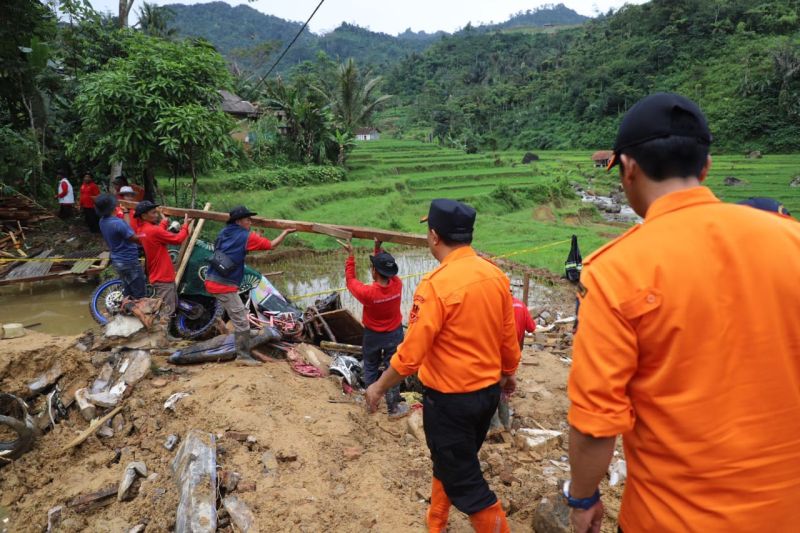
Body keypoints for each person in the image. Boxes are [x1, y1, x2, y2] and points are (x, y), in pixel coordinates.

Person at [566, 93, 800, 533]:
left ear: (628, 169)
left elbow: (596, 425)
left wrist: (582, 498)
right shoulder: (792, 242)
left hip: (672, 519)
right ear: (706, 167)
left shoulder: (616, 272)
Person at [365, 198, 520, 533]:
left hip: (451, 402)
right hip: (486, 397)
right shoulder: (495, 276)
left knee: (466, 482)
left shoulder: (436, 286)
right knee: (453, 464)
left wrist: (378, 386)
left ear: (434, 236)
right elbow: (509, 337)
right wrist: (509, 374)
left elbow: (410, 356)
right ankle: (436, 521)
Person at [204, 205, 295, 364]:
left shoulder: (224, 232)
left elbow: (234, 248)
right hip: (224, 285)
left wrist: (254, 236)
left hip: (212, 278)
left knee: (237, 314)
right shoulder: (247, 236)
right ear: (239, 221)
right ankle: (242, 356)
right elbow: (271, 245)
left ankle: (236, 336)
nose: (250, 222)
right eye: (248, 219)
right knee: (242, 321)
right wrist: (285, 232)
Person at [338, 238, 408, 419]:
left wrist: (351, 256)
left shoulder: (368, 294)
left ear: (374, 271)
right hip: (394, 333)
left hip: (372, 335)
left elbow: (350, 280)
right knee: (393, 367)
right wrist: (378, 249)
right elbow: (386, 268)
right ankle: (393, 408)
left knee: (370, 366)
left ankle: (371, 404)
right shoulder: (397, 285)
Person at [134, 201, 190, 318]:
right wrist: (185, 226)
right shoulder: (153, 230)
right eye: (153, 213)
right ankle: (162, 334)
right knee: (167, 311)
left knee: (169, 306)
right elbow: (177, 239)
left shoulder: (142, 230)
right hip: (163, 276)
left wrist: (164, 221)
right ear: (144, 216)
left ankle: (163, 331)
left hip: (158, 275)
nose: (156, 215)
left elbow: (158, 233)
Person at [95, 193, 146, 300]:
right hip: (128, 261)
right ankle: (138, 313)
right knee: (139, 293)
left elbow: (126, 228)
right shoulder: (118, 224)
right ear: (114, 207)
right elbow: (135, 238)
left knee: (128, 289)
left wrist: (126, 212)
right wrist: (146, 234)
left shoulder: (103, 221)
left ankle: (126, 311)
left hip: (118, 260)